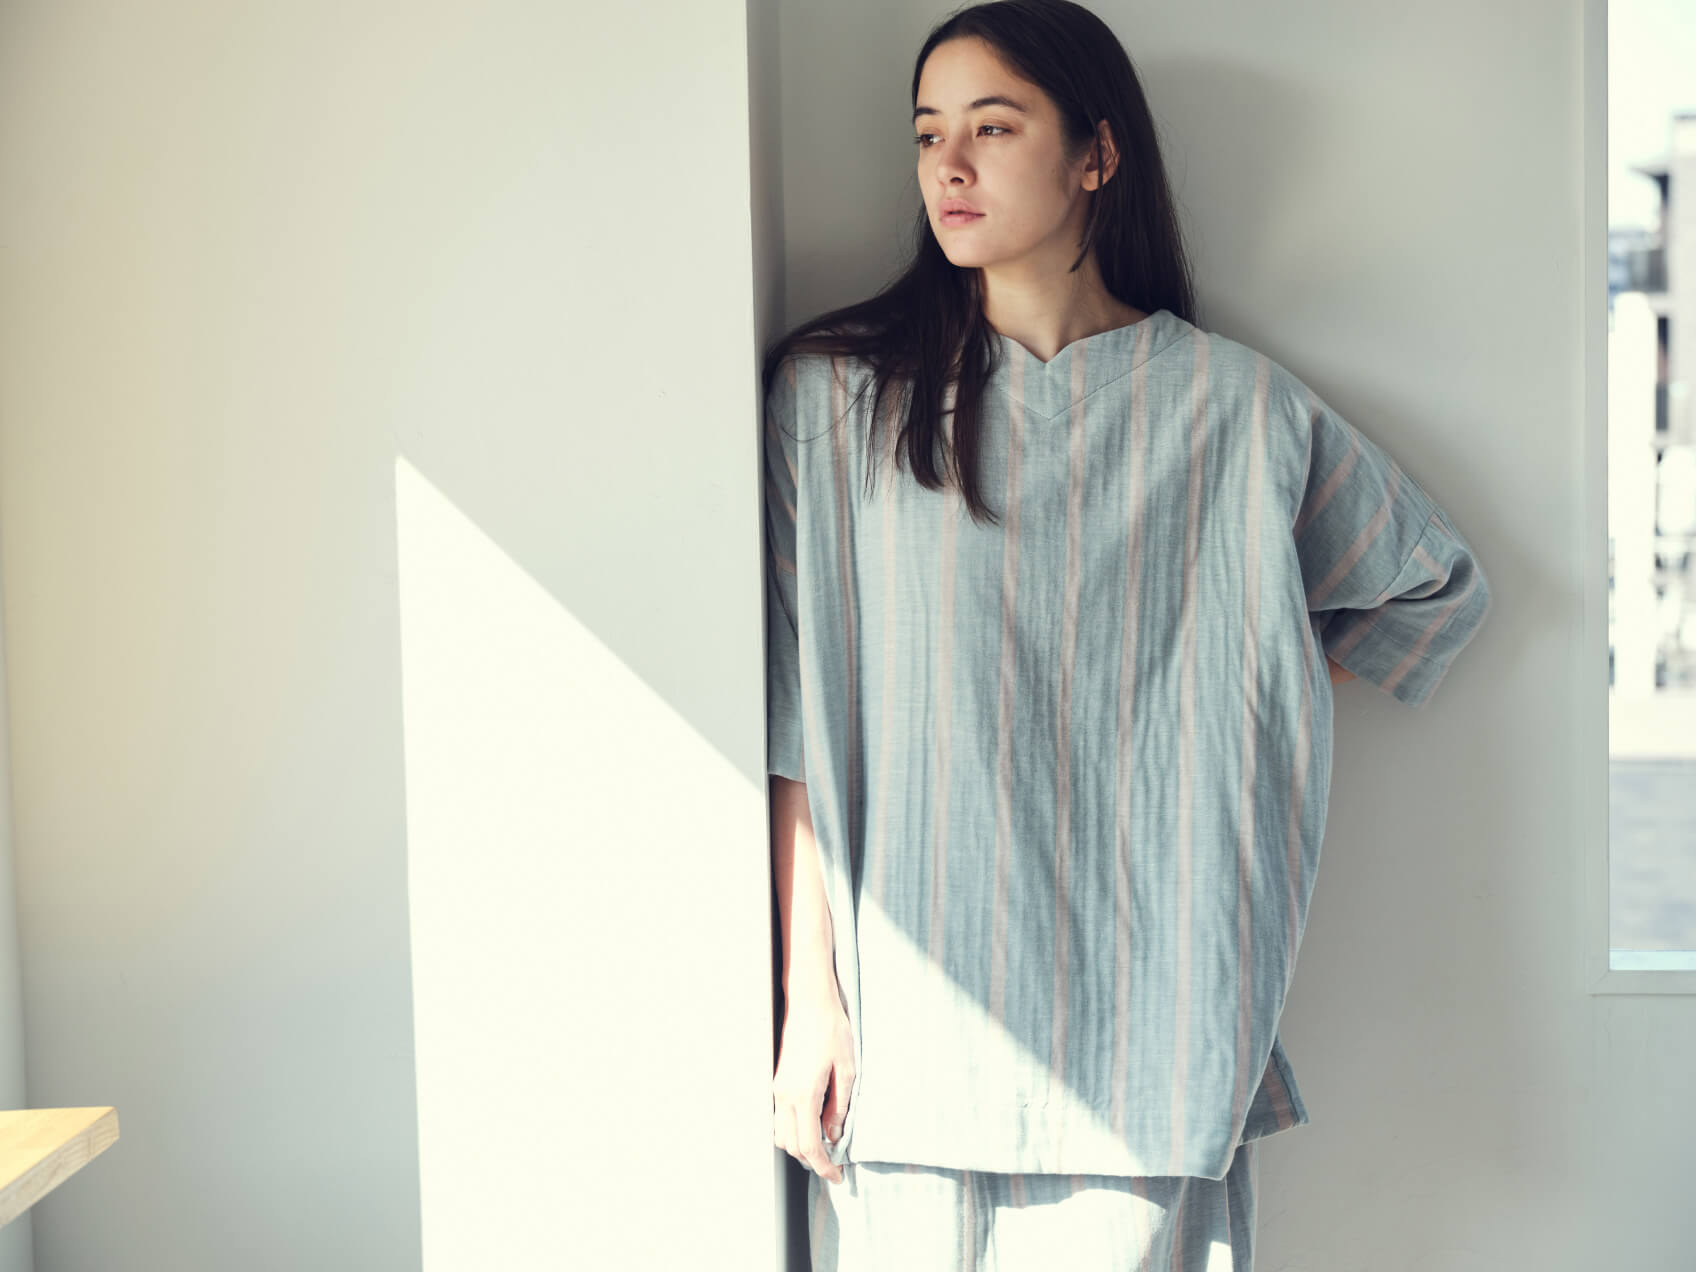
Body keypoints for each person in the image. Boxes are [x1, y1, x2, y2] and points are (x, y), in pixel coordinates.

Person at [763, 2, 1493, 1268]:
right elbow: (798, 719)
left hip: (1157, 1031)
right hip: (908, 1048)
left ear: (1096, 155)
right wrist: (806, 1002)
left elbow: (1434, 587)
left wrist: (1236, 682)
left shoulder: (1237, 411)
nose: (949, 165)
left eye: (994, 128)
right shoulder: (838, 403)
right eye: (929, 133)